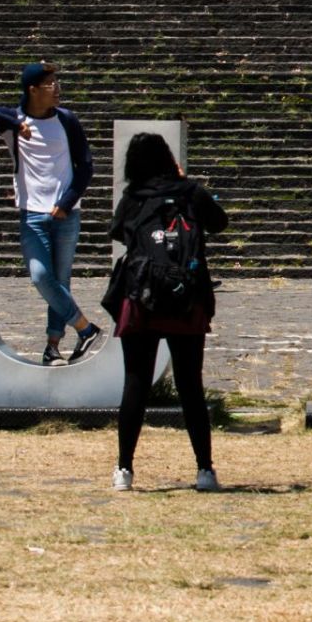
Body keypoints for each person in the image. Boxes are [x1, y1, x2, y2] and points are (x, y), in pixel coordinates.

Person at [103, 132, 228, 494]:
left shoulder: (133, 197)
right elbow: (219, 223)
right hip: (186, 300)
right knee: (191, 384)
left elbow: (118, 233)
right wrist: (183, 181)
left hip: (141, 298)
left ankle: (124, 469)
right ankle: (205, 470)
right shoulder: (191, 193)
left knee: (136, 382)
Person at [0, 62, 103, 365]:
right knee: (41, 276)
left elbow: (86, 167)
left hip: (66, 215)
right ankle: (85, 328)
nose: (57, 88)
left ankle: (52, 347)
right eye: (50, 83)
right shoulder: (13, 123)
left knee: (60, 283)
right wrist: (15, 124)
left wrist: (66, 202)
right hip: (31, 215)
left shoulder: (67, 120)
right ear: (33, 89)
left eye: (56, 82)